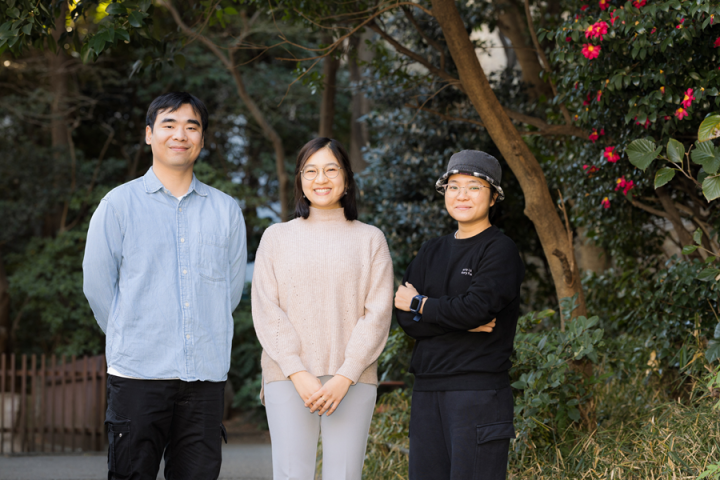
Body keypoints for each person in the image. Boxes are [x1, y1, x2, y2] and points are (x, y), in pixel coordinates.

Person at [83, 92, 247, 480]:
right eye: (169, 124)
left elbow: (230, 291)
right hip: (138, 374)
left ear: (202, 138)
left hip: (204, 376)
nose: (180, 135)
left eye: (192, 126)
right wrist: (128, 333)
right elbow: (97, 286)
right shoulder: (118, 204)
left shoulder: (225, 210)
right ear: (149, 134)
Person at [251, 137, 394, 480]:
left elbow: (377, 314)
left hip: (353, 378)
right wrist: (296, 370)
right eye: (311, 171)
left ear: (346, 178)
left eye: (331, 169)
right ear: (300, 179)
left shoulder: (370, 239)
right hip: (287, 376)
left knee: (344, 475)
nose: (321, 179)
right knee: (291, 474)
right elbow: (266, 308)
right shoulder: (276, 237)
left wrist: (347, 374)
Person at [394, 150, 525, 480]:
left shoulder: (500, 249)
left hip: (477, 392)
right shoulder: (430, 251)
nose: (461, 195)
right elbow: (405, 319)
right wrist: (461, 320)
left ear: (493, 197)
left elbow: (474, 309)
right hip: (426, 391)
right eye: (453, 187)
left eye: (474, 187)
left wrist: (421, 304)